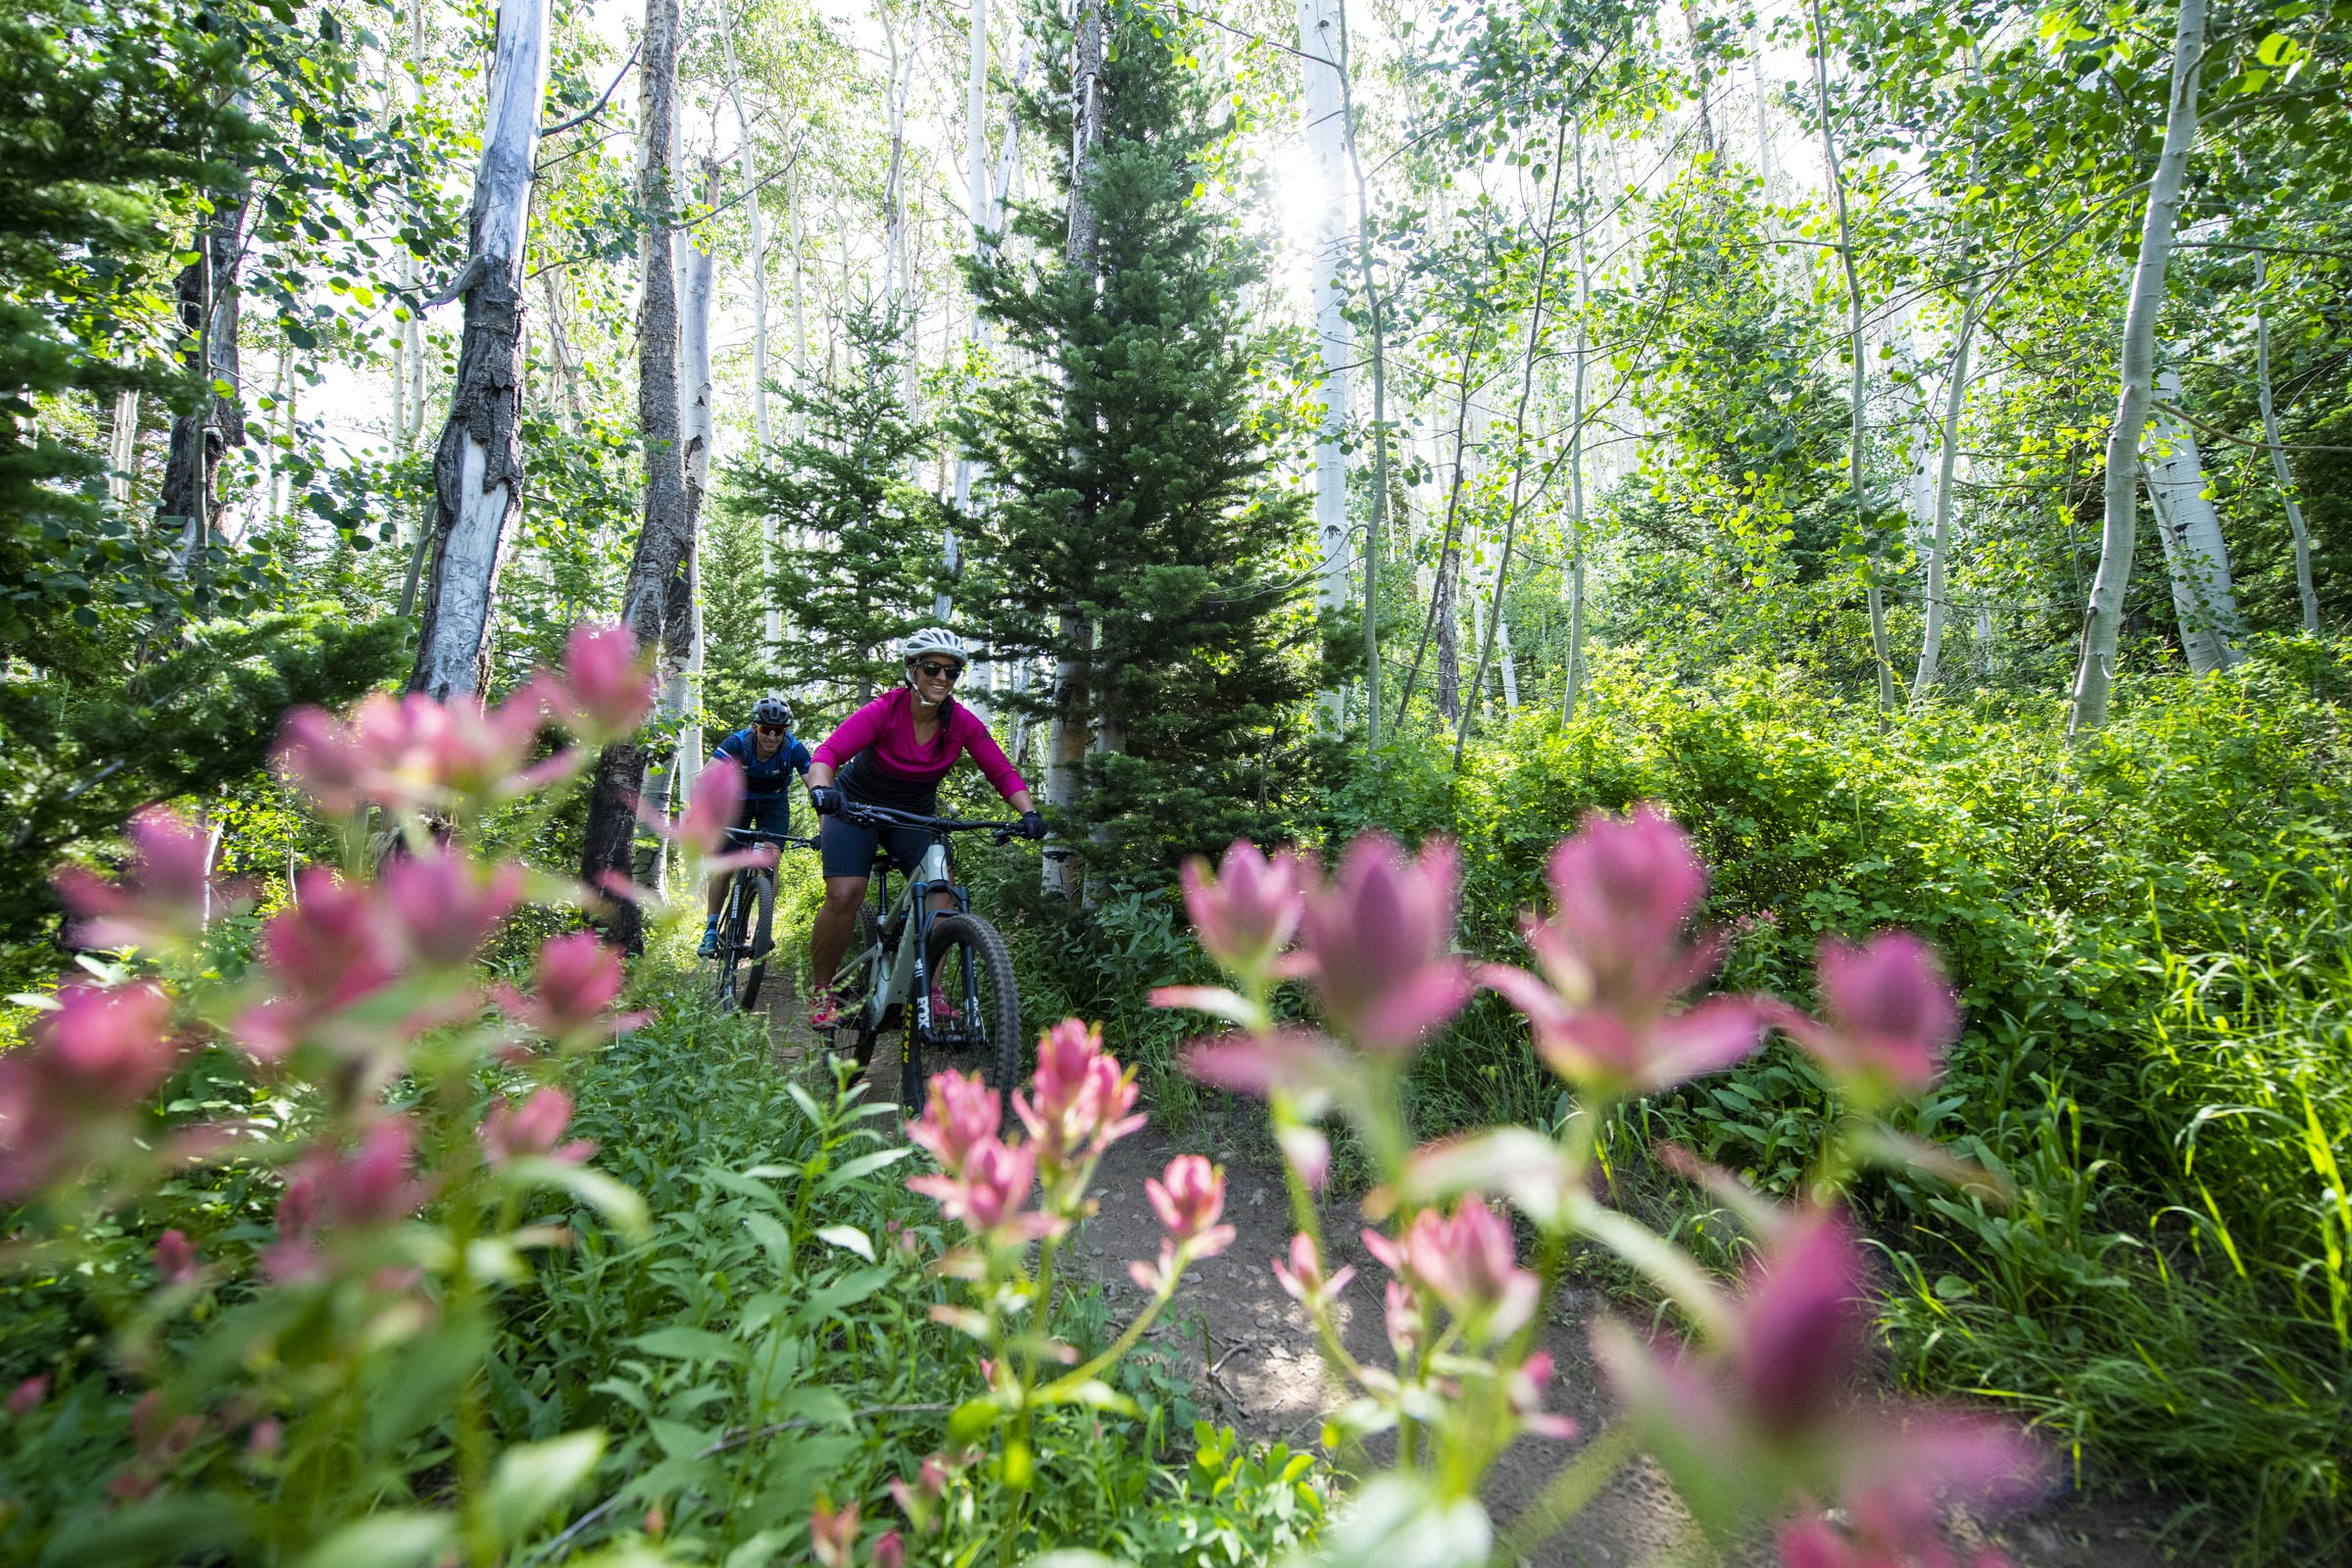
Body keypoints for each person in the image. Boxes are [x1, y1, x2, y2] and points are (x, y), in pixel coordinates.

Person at [804, 627, 1047, 1027]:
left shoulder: (960, 723)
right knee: (845, 892)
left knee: (942, 892)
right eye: (932, 668)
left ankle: (930, 993)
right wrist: (821, 789)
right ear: (912, 670)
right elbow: (828, 753)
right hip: (855, 807)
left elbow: (1000, 770)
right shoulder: (885, 710)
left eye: (951, 673)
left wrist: (1029, 813)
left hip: (913, 814)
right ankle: (821, 991)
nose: (941, 678)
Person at [698, 694, 813, 957]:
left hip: (773, 805)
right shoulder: (737, 743)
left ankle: (763, 927)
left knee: (771, 862)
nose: (772, 737)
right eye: (765, 729)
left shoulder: (794, 749)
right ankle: (711, 929)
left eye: (778, 731)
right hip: (735, 804)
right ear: (754, 727)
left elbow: (815, 786)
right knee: (724, 867)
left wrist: (826, 820)